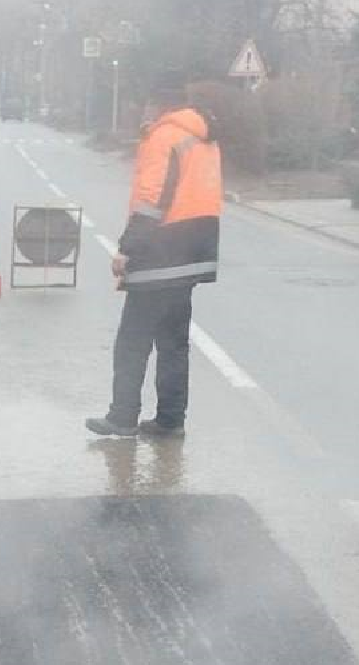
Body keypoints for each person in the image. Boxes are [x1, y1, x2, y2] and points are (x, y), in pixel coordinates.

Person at [86, 71, 222, 438]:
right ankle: (170, 420)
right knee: (174, 342)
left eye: (147, 105)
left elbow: (151, 199)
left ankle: (122, 417)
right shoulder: (204, 138)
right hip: (194, 252)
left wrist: (128, 248)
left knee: (132, 340)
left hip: (162, 251)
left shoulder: (164, 137)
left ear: (158, 106)